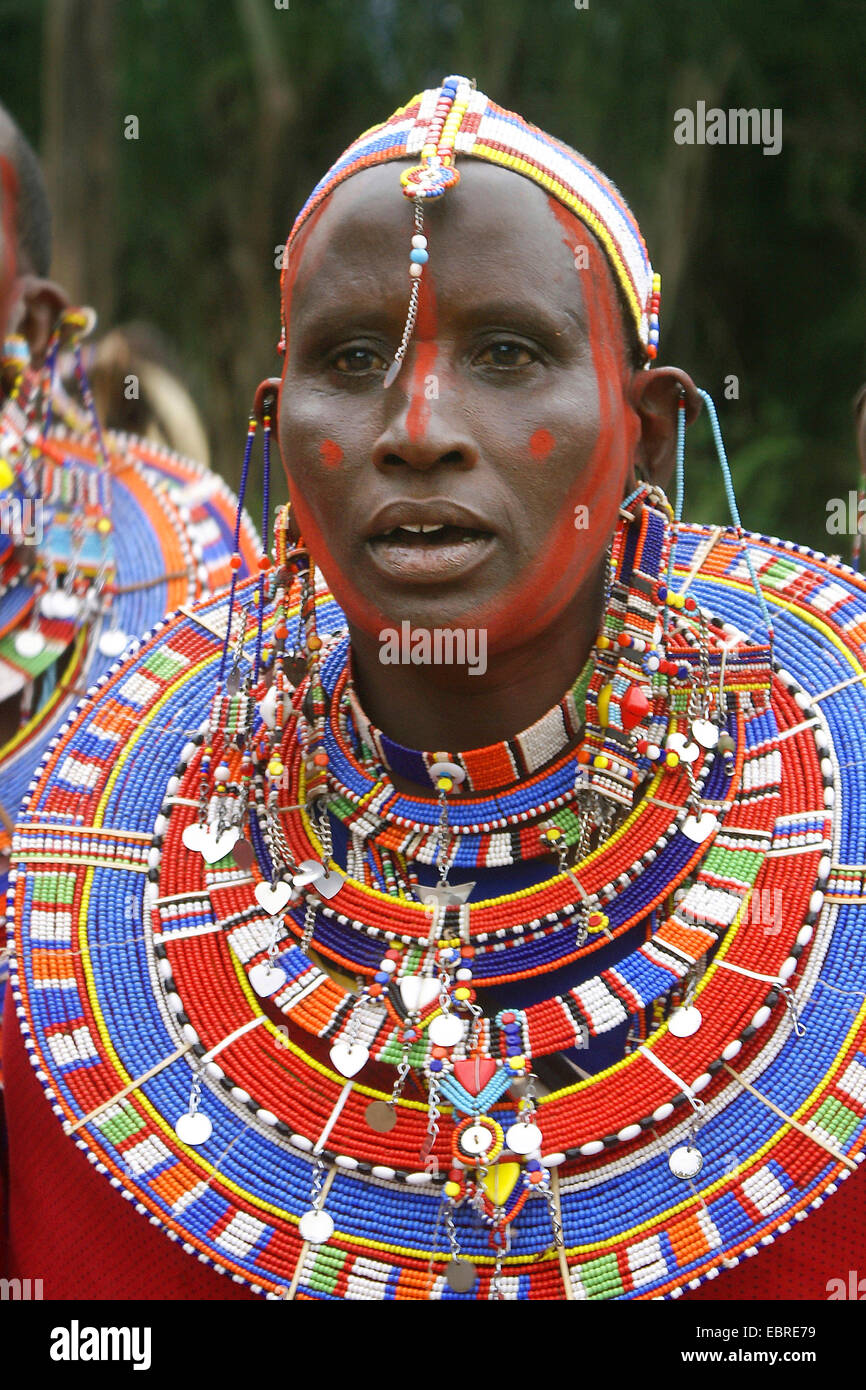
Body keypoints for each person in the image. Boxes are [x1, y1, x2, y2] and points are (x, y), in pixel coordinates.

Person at [3, 76, 864, 1302]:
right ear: (279, 424)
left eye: (508, 351)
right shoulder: (91, 883)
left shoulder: (841, 790)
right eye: (351, 358)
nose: (415, 427)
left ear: (650, 435)